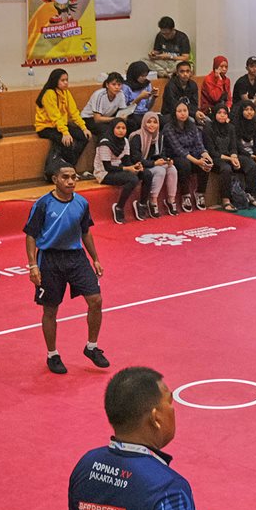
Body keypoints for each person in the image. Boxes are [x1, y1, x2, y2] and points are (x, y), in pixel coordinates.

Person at [69, 366, 212, 510]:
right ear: (155, 418)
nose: (173, 410)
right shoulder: (167, 489)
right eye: (169, 403)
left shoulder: (84, 465)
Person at [24, 164, 108, 374]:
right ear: (55, 179)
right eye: (65, 177)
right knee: (51, 309)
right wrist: (33, 265)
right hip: (49, 259)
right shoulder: (43, 204)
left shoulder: (81, 202)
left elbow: (85, 231)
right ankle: (52, 355)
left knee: (96, 300)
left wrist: (95, 258)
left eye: (74, 177)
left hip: (76, 257)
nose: (71, 181)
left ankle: (92, 347)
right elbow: (31, 235)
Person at [34, 68, 92, 177]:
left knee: (84, 137)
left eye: (67, 80)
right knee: (67, 142)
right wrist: (65, 133)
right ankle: (70, 170)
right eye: (63, 80)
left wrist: (84, 127)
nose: (66, 83)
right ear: (55, 81)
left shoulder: (66, 92)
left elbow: (74, 112)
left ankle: (70, 167)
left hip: (60, 125)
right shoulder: (49, 94)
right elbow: (55, 116)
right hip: (46, 127)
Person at [204, 104, 256, 211]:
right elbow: (212, 151)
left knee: (251, 165)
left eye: (225, 113)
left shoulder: (230, 127)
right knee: (226, 169)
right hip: (216, 158)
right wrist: (230, 159)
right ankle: (225, 200)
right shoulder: (209, 127)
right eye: (219, 113)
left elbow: (233, 146)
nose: (222, 115)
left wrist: (234, 157)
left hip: (230, 156)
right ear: (214, 114)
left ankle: (250, 194)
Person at [95, 118, 153, 224]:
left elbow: (126, 161)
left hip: (119, 168)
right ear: (112, 129)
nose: (121, 130)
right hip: (104, 173)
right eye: (118, 128)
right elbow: (108, 167)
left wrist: (135, 166)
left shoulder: (125, 141)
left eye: (123, 128)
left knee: (147, 174)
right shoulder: (105, 143)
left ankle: (142, 204)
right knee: (132, 179)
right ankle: (119, 207)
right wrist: (128, 169)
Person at [163, 101, 212, 212]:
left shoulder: (192, 125)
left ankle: (200, 193)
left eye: (185, 111)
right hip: (175, 157)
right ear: (174, 113)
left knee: (206, 162)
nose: (182, 114)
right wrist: (197, 162)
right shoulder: (168, 128)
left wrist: (206, 155)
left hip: (192, 155)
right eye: (179, 111)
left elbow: (199, 144)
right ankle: (185, 195)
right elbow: (179, 150)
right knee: (184, 164)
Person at [130, 112, 179, 218]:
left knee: (172, 169)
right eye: (149, 122)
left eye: (155, 122)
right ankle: (152, 201)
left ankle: (171, 200)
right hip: (140, 166)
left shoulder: (159, 136)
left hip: (153, 164)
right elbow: (136, 159)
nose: (152, 125)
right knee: (160, 171)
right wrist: (154, 163)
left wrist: (167, 160)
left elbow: (160, 154)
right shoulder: (137, 137)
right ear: (143, 123)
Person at [81, 72, 129, 141]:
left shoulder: (120, 94)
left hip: (108, 117)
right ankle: (103, 148)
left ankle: (124, 147)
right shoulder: (99, 95)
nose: (117, 87)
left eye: (119, 85)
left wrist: (124, 117)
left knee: (128, 124)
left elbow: (123, 111)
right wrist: (115, 119)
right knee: (106, 129)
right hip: (89, 118)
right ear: (107, 85)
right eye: (114, 84)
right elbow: (97, 119)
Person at [161, 61, 206, 125]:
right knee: (191, 121)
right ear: (177, 73)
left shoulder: (193, 85)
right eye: (182, 71)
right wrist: (193, 113)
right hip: (171, 114)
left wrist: (197, 112)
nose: (185, 74)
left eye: (187, 71)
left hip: (188, 112)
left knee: (206, 120)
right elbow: (174, 106)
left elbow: (194, 104)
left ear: (191, 73)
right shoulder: (170, 86)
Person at [122, 61, 159, 134]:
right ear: (135, 75)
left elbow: (148, 107)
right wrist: (140, 98)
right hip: (132, 114)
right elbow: (125, 109)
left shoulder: (147, 84)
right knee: (135, 123)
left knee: (159, 120)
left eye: (146, 75)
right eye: (142, 76)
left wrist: (154, 97)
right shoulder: (126, 87)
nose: (144, 78)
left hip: (145, 113)